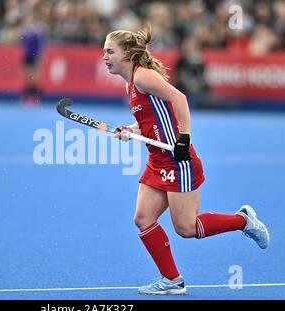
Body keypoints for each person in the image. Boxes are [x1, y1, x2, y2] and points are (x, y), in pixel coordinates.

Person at [103, 29, 270, 295]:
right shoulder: (130, 84)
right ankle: (172, 279)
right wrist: (132, 130)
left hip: (177, 161)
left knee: (187, 228)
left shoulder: (144, 77)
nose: (105, 57)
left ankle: (243, 221)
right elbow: (152, 120)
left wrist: (185, 137)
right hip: (157, 161)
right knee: (143, 218)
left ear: (127, 54)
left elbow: (179, 99)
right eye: (104, 52)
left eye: (110, 51)